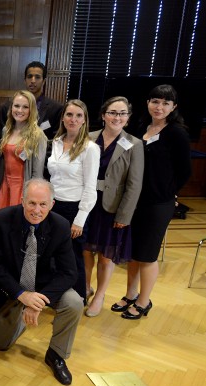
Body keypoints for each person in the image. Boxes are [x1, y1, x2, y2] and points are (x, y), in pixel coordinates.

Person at [0, 179, 83, 386]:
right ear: (22, 201)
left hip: (43, 288)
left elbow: (69, 273)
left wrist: (39, 301)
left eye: (43, 204)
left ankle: (56, 354)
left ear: (52, 205)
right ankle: (18, 319)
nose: (36, 210)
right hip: (11, 288)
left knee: (74, 302)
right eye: (31, 203)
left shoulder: (60, 225)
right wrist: (22, 295)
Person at [116, 84, 192, 320]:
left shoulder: (176, 133)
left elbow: (185, 171)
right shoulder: (140, 127)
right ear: (148, 102)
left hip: (158, 203)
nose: (159, 107)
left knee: (147, 254)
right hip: (134, 201)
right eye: (155, 101)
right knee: (133, 251)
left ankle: (144, 301)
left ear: (173, 107)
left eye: (165, 103)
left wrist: (169, 192)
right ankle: (130, 294)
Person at [83, 96, 144, 317]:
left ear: (127, 118)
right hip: (87, 203)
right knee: (85, 250)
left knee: (105, 254)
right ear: (103, 115)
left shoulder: (134, 144)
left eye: (122, 113)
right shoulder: (88, 138)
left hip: (112, 208)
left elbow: (134, 184)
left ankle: (100, 295)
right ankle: (85, 287)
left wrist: (125, 215)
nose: (117, 117)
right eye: (112, 112)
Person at [46, 100, 100, 301]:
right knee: (53, 254)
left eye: (78, 115)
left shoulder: (90, 148)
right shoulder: (57, 142)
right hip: (53, 206)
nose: (73, 119)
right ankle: (57, 296)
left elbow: (90, 187)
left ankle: (79, 298)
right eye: (69, 114)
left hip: (74, 209)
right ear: (63, 117)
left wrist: (80, 219)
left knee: (74, 256)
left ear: (84, 120)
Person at [0, 90, 47, 210]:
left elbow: (37, 173)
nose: (20, 110)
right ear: (11, 107)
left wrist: (32, 196)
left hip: (22, 188)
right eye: (16, 106)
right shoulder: (6, 130)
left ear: (31, 110)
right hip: (4, 185)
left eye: (25, 107)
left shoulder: (38, 135)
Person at [23, 61, 63, 140]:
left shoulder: (56, 109)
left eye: (37, 77)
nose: (33, 80)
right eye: (29, 76)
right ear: (25, 80)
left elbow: (56, 140)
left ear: (43, 81)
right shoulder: (11, 106)